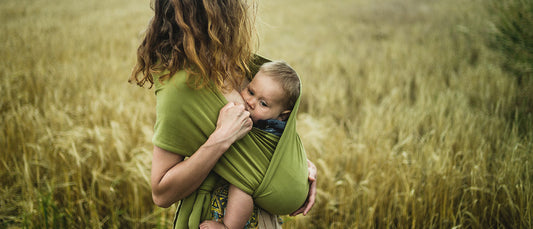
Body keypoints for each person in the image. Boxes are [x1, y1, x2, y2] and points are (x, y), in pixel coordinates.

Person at [129, 1, 317, 228]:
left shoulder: (236, 60)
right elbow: (161, 193)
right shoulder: (179, 88)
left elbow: (267, 134)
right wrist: (221, 138)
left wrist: (295, 167)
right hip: (215, 218)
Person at [200, 61, 300, 229]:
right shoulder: (261, 116)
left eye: (263, 104)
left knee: (243, 183)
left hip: (255, 186)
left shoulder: (272, 130)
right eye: (250, 91)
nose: (251, 102)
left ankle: (229, 227)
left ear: (282, 116)